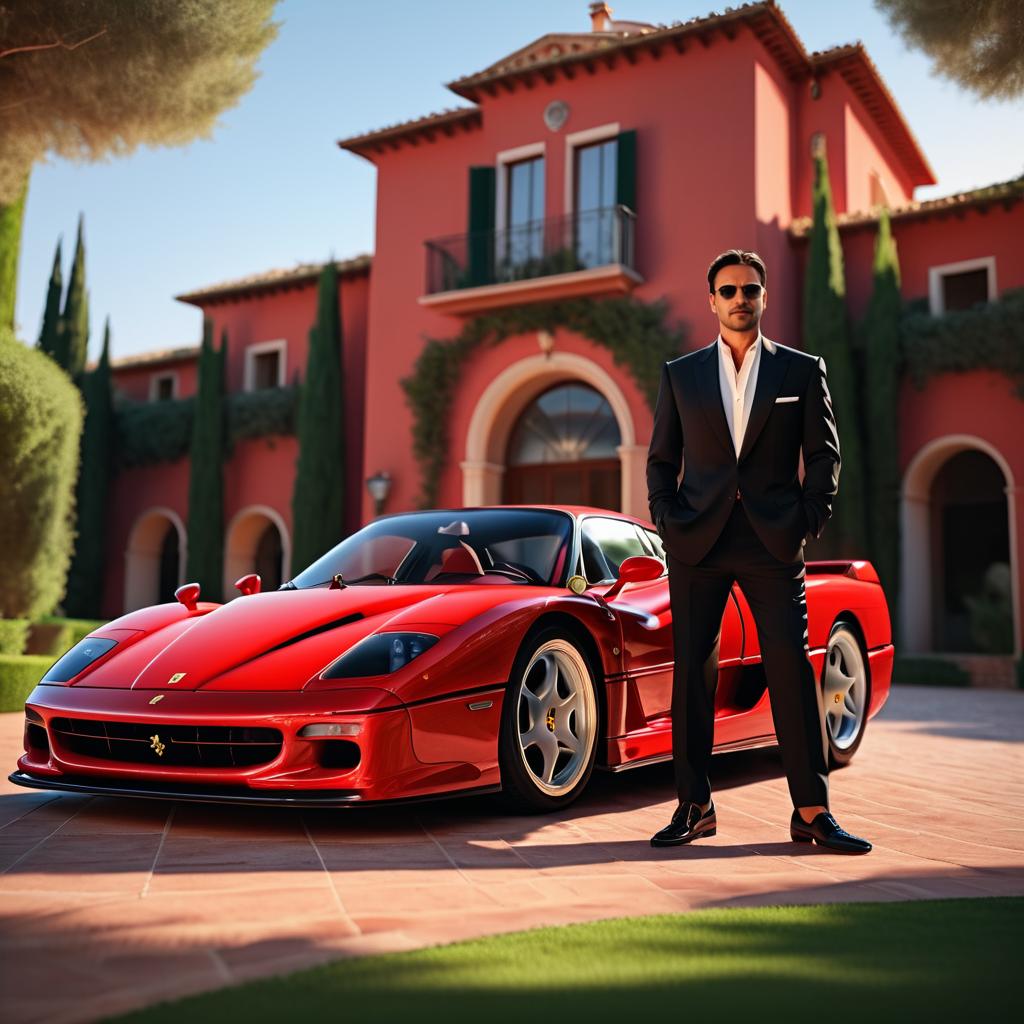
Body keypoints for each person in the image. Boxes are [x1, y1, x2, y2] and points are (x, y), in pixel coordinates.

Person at [645, 249, 871, 854]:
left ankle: (812, 811)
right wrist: (667, 520)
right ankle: (693, 807)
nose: (740, 299)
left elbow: (824, 453)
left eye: (750, 289)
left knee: (791, 670)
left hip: (773, 539)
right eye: (728, 290)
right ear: (711, 299)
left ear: (764, 297)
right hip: (698, 541)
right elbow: (661, 460)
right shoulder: (681, 374)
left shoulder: (801, 371)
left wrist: (808, 517)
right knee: (692, 672)